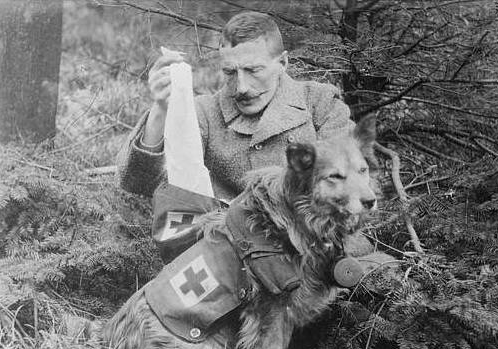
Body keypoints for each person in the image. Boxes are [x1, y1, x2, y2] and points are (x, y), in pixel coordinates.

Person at [118, 11, 373, 255]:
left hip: (320, 248)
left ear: (282, 62)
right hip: (234, 257)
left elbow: (352, 183)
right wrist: (162, 109)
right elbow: (139, 183)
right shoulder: (205, 112)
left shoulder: (319, 101)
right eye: (230, 72)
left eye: (253, 70)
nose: (241, 87)